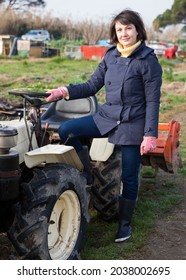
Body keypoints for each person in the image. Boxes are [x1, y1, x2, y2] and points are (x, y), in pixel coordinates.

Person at [46, 9, 162, 243]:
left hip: (132, 123)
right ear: (115, 33)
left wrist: (150, 134)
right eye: (119, 29)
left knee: (129, 176)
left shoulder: (148, 61)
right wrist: (64, 91)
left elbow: (153, 101)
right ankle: (87, 174)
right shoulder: (110, 56)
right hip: (107, 117)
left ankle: (125, 225)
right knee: (67, 131)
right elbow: (91, 85)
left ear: (138, 29)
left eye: (128, 28)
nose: (124, 33)